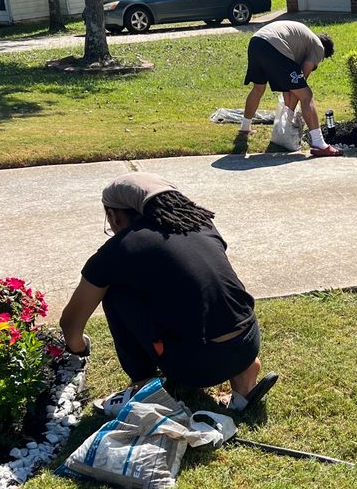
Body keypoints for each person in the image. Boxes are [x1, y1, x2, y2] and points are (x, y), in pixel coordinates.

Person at [60, 172, 277, 414]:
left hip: (196, 365)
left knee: (113, 291)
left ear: (114, 215)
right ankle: (244, 379)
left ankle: (143, 385)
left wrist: (79, 348)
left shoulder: (118, 250)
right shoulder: (200, 222)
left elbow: (70, 325)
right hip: (247, 343)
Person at [239, 19, 341, 157]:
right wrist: (289, 118)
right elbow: (300, 84)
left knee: (258, 88)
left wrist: (288, 113)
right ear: (324, 53)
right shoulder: (318, 47)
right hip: (273, 46)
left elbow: (289, 87)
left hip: (256, 42)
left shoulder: (301, 39)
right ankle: (319, 144)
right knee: (306, 95)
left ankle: (245, 128)